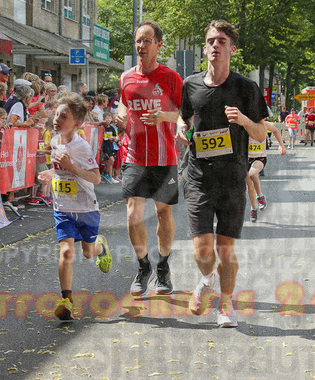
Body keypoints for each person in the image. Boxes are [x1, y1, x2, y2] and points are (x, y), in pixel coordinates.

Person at [176, 19, 268, 327]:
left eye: (222, 41)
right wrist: (181, 129)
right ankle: (206, 279)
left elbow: (261, 134)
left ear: (232, 49)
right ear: (204, 48)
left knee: (225, 249)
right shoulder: (190, 85)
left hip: (231, 179)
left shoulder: (246, 88)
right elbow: (183, 119)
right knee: (203, 250)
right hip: (198, 177)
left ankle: (226, 305)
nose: (215, 45)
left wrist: (243, 119)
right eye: (211, 41)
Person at [115, 20, 183, 296]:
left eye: (146, 41)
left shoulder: (171, 78)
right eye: (138, 41)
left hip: (164, 157)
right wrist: (121, 116)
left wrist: (164, 116)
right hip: (134, 155)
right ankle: (143, 266)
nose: (141, 46)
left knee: (163, 213)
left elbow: (184, 114)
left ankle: (163, 266)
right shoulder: (126, 77)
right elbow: (123, 103)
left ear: (158, 45)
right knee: (133, 214)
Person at [37, 95, 112, 321]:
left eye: (64, 117)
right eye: (57, 114)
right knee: (66, 252)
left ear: (77, 124)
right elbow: (60, 167)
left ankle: (100, 247)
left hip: (86, 208)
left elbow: (96, 178)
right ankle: (66, 301)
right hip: (62, 207)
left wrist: (71, 167)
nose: (57, 119)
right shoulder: (55, 141)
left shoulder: (81, 146)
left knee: (88, 253)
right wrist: (51, 173)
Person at [247, 122, 286, 222]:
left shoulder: (264, 124)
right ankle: (253, 208)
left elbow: (275, 130)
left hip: (260, 158)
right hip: (246, 158)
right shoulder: (245, 123)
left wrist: (281, 145)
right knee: (250, 186)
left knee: (253, 174)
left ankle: (260, 196)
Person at [101, 112, 119, 184]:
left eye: (109, 118)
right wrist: (106, 137)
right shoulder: (102, 127)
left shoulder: (112, 128)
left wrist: (113, 138)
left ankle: (108, 176)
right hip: (105, 147)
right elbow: (101, 137)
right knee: (111, 160)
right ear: (103, 119)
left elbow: (116, 138)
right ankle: (105, 173)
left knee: (110, 162)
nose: (108, 120)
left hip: (111, 146)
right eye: (106, 118)